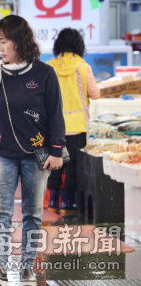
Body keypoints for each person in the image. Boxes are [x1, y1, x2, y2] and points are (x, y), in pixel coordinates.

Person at [0, 15, 65, 286]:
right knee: (1, 212)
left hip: (38, 155)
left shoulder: (44, 73)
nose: (0, 48)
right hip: (1, 152)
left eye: (4, 41)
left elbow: (56, 115)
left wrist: (57, 151)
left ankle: (26, 267)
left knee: (33, 213)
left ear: (20, 41)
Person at [47, 28, 100, 216]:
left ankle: (52, 202)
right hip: (77, 126)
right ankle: (68, 205)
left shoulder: (49, 66)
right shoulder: (82, 67)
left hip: (53, 127)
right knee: (73, 167)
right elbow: (95, 93)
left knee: (54, 164)